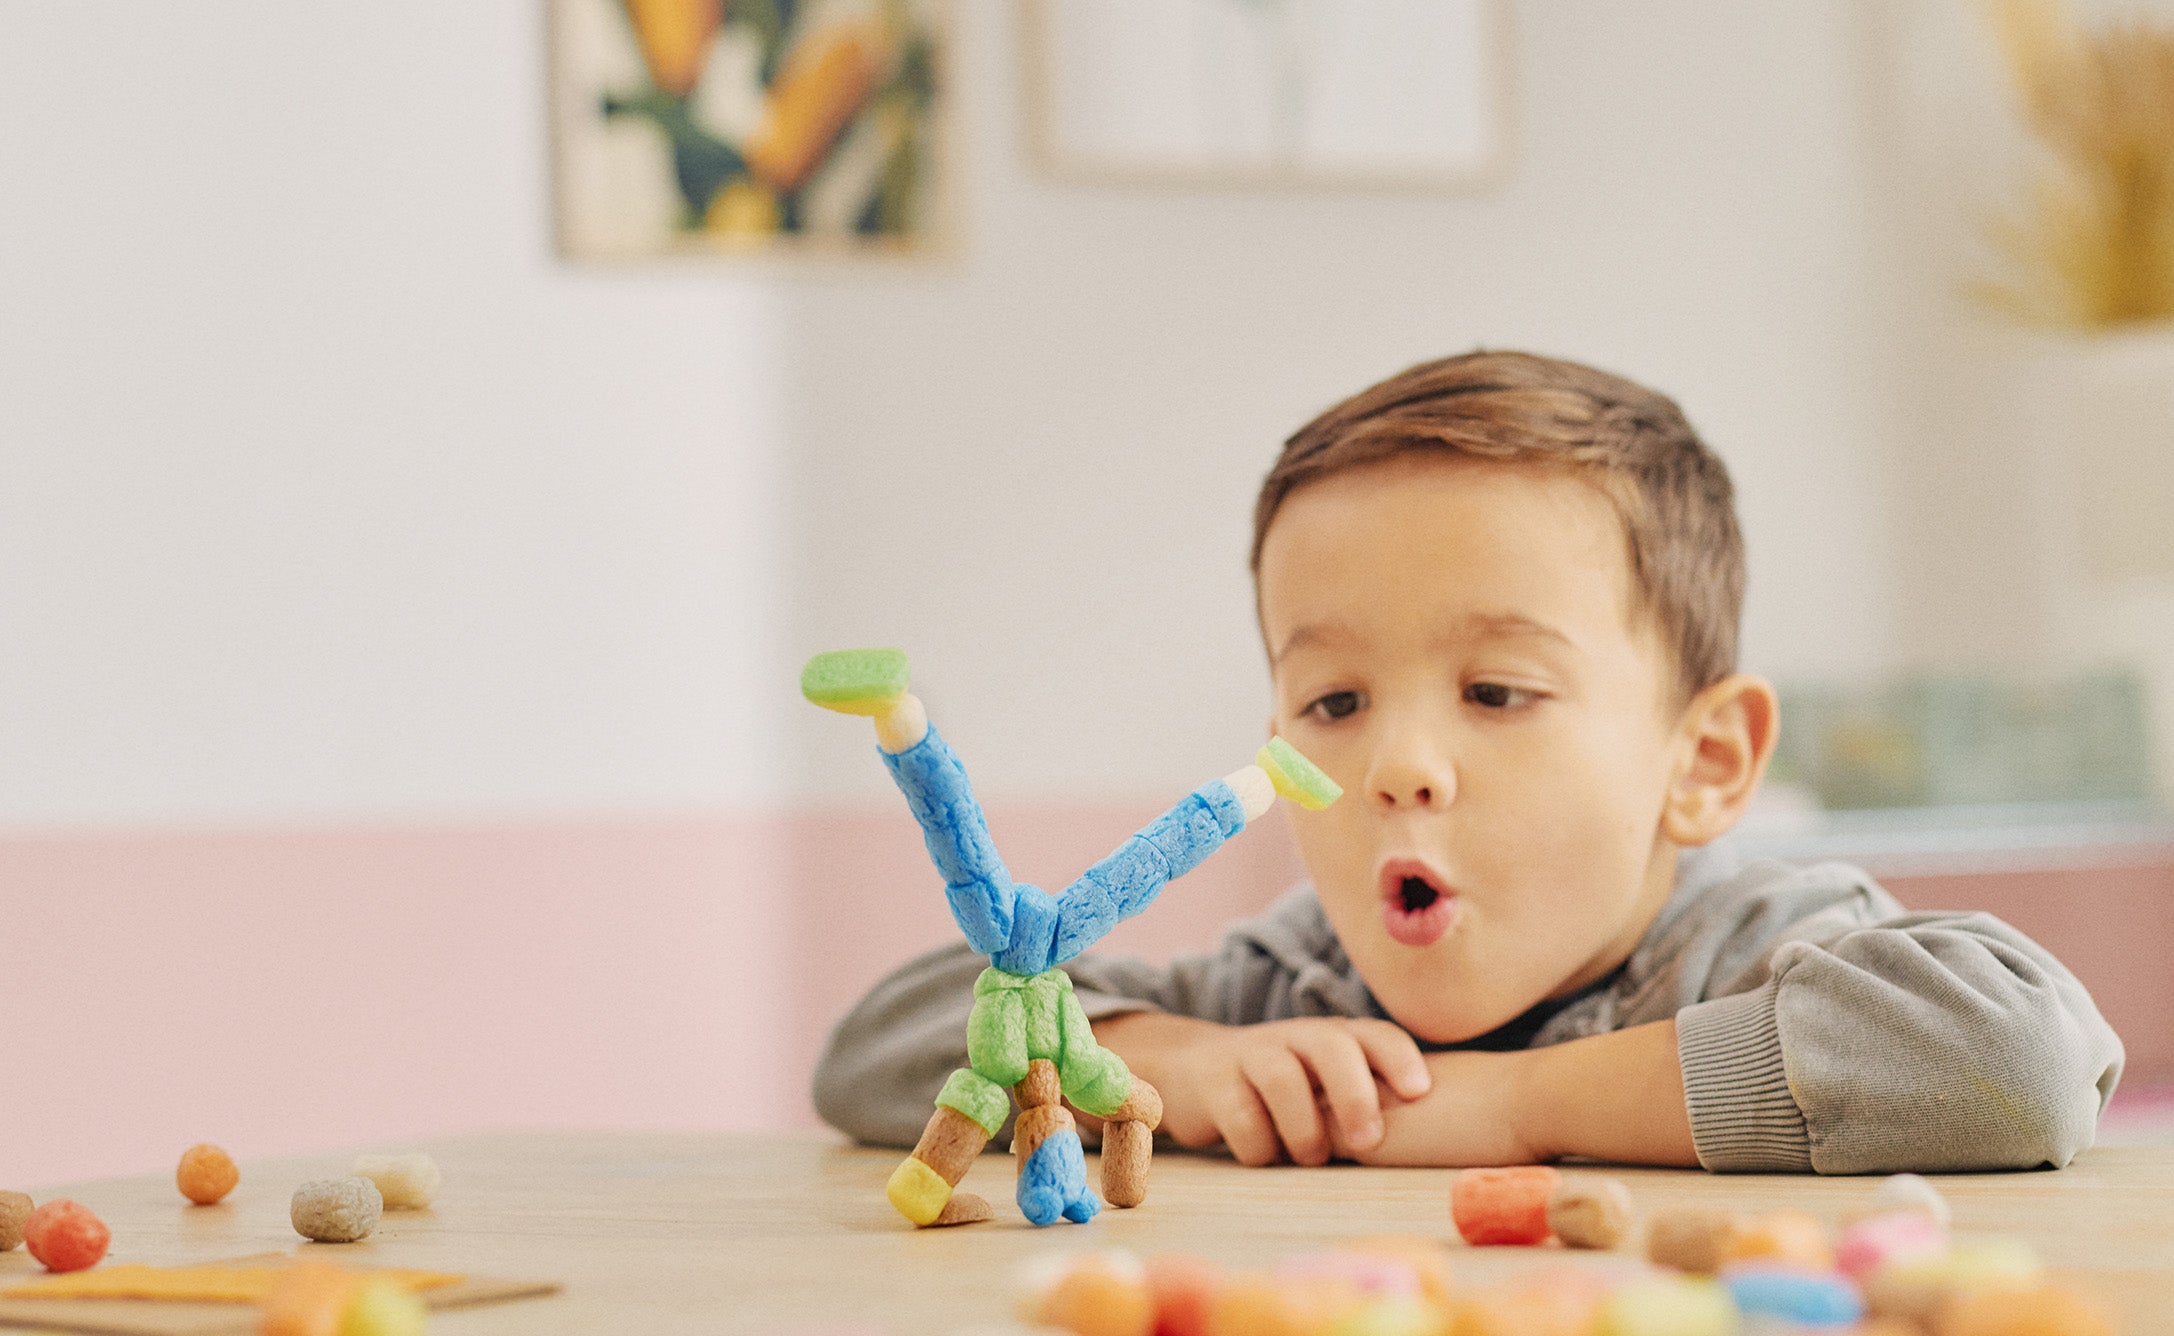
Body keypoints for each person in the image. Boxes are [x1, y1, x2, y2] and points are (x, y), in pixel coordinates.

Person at [813, 351, 2124, 1175]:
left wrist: (1514, 1105)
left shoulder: (1757, 947)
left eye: (1496, 691)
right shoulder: (1286, 991)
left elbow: (2011, 1058)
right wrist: (1177, 1061)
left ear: (1704, 760)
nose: (1397, 766)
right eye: (1332, 701)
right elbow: (876, 1047)